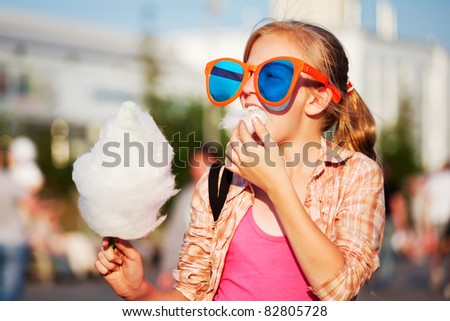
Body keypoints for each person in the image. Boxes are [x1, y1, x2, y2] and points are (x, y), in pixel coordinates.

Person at [95, 19, 385, 301]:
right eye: (244, 76)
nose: (246, 90)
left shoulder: (356, 175)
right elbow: (191, 297)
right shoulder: (218, 183)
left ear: (317, 98)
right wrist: (140, 292)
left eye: (271, 77)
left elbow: (340, 289)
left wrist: (277, 187)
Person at [156, 144, 218, 290]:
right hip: (187, 275)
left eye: (201, 164)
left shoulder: (229, 193)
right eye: (193, 165)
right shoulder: (185, 197)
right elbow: (174, 234)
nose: (196, 170)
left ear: (214, 164)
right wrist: (167, 268)